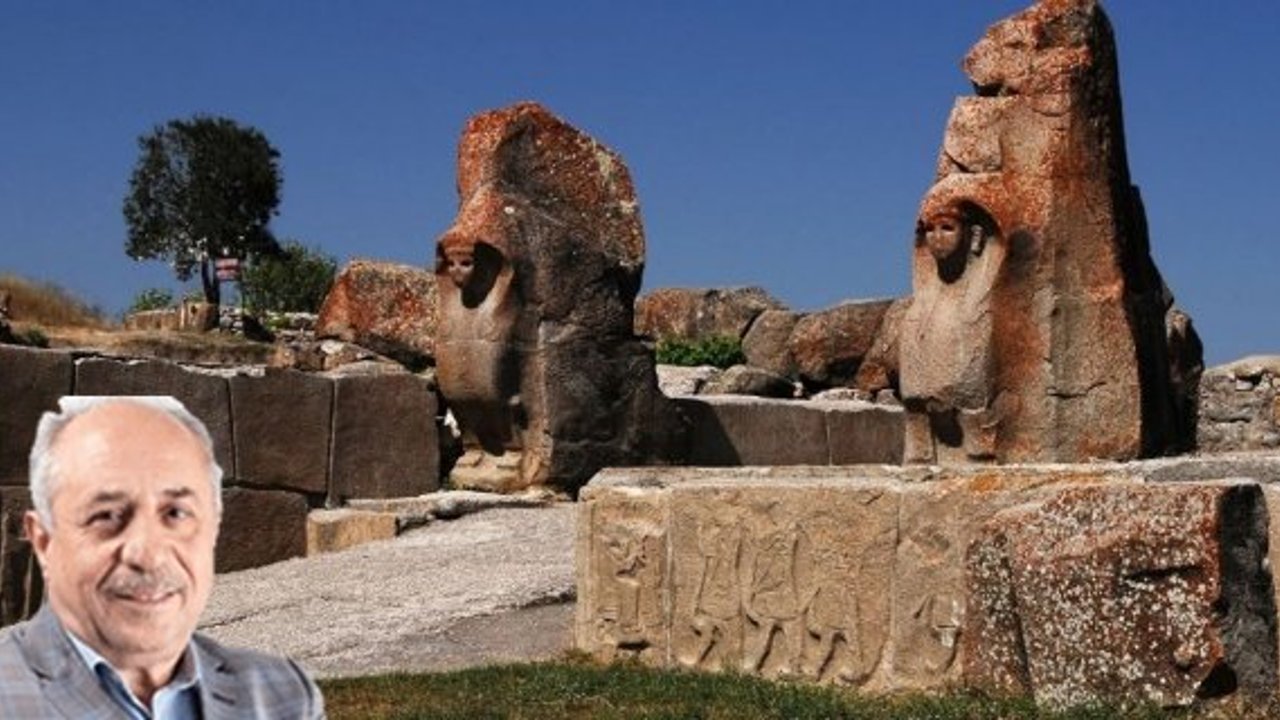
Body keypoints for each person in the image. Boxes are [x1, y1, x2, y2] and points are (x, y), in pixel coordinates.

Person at [0, 396, 324, 719]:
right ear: (43, 541)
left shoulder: (284, 695)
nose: (148, 555)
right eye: (107, 515)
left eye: (176, 512)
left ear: (214, 527)